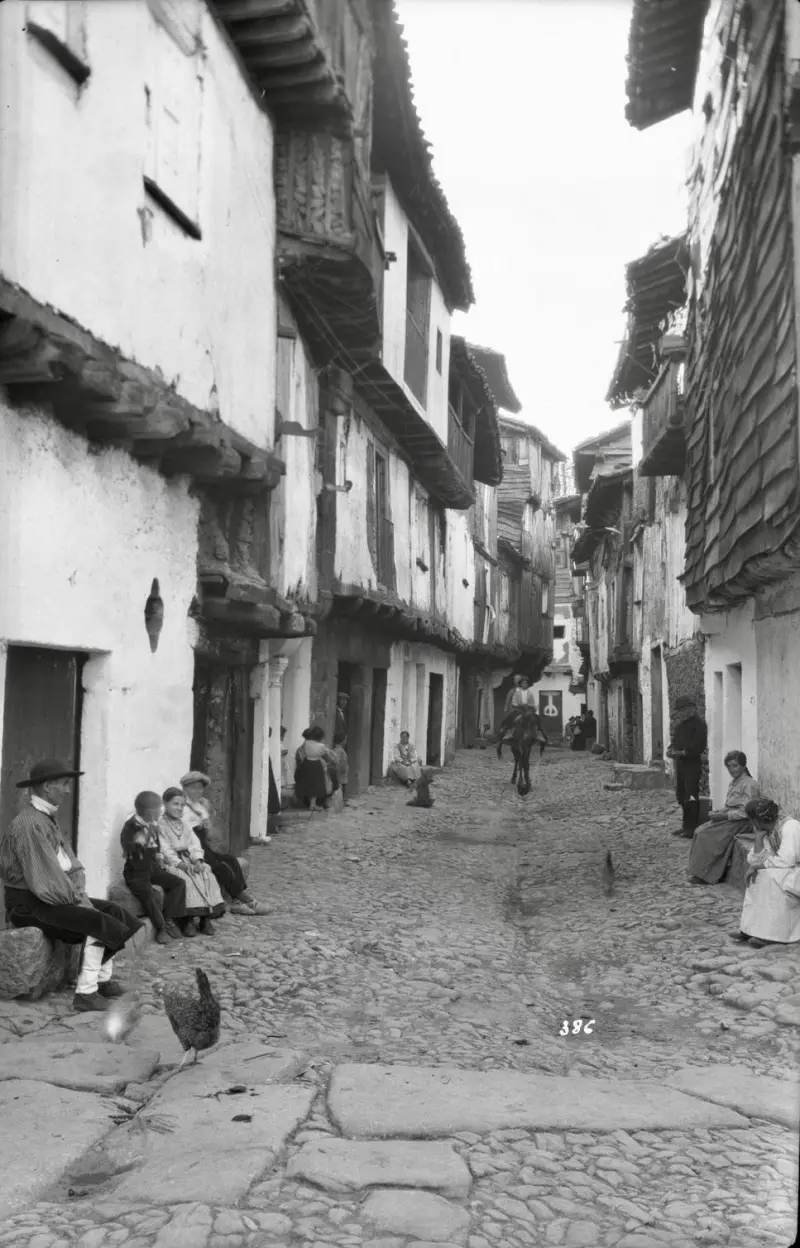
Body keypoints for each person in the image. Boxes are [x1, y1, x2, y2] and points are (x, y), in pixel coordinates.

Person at [0, 759, 142, 1012]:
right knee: (97, 921)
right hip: (28, 905)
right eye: (64, 784)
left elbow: (67, 863)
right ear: (47, 787)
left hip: (47, 898)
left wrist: (79, 892)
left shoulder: (45, 818)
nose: (68, 790)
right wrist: (78, 901)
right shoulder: (29, 824)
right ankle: (86, 994)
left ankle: (102, 980)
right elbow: (45, 881)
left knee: (114, 912)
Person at [181, 772, 269, 915]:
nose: (197, 791)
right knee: (220, 867)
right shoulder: (182, 808)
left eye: (200, 788)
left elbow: (209, 836)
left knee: (231, 860)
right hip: (190, 850)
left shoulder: (201, 806)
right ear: (185, 788)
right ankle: (243, 900)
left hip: (203, 846)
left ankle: (236, 900)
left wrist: (207, 824)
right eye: (193, 788)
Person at [730, 798, 800, 948]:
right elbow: (755, 860)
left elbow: (787, 860)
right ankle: (750, 929)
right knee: (758, 877)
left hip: (795, 870)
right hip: (788, 871)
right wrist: (758, 840)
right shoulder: (769, 831)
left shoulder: (790, 826)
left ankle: (774, 935)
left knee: (771, 878)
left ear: (755, 821)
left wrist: (758, 866)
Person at [120, 791, 186, 943]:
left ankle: (169, 919)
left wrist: (158, 856)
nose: (160, 812)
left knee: (178, 883)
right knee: (149, 895)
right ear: (150, 812)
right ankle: (161, 928)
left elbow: (155, 845)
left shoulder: (153, 824)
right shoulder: (131, 826)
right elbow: (127, 848)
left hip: (152, 868)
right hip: (136, 872)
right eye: (158, 810)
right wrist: (136, 843)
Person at [158, 788, 225, 936]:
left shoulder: (184, 823)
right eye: (175, 804)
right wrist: (182, 865)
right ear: (165, 803)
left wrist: (198, 860)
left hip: (189, 858)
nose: (179, 808)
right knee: (187, 879)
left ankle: (205, 918)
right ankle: (188, 919)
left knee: (206, 873)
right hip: (172, 862)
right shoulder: (160, 825)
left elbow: (194, 843)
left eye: (182, 805)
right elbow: (165, 849)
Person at [688, 751, 760, 885]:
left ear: (743, 766)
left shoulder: (749, 784)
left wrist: (724, 816)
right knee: (699, 830)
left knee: (707, 835)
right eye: (729, 766)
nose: (732, 769)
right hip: (731, 818)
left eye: (735, 766)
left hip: (743, 822)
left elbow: (747, 812)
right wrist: (719, 812)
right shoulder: (734, 782)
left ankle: (707, 874)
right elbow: (730, 805)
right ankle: (698, 870)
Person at [666, 695, 708, 837]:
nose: (680, 713)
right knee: (682, 794)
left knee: (691, 795)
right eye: (679, 710)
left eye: (682, 710)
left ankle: (692, 827)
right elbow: (675, 743)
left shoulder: (699, 725)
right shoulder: (680, 726)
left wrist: (682, 752)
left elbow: (699, 746)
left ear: (691, 708)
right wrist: (670, 750)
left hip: (692, 765)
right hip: (681, 765)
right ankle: (685, 825)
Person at [295, 726, 338, 811]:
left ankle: (311, 803)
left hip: (306, 764)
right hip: (316, 766)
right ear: (321, 737)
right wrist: (333, 762)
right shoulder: (321, 746)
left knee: (309, 784)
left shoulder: (306, 743)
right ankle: (313, 804)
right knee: (316, 785)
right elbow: (326, 757)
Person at [332, 731, 350, 804]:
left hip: (342, 774)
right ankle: (340, 802)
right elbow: (337, 762)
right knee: (341, 788)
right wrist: (342, 769)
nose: (346, 741)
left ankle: (342, 801)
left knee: (342, 787)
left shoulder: (339, 750)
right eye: (345, 739)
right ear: (342, 740)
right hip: (340, 774)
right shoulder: (338, 750)